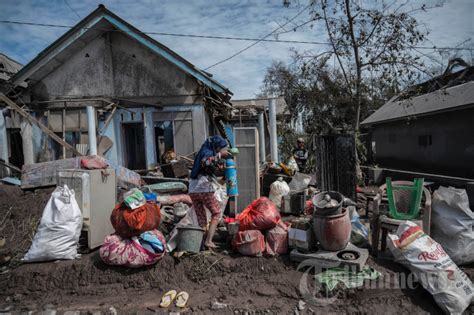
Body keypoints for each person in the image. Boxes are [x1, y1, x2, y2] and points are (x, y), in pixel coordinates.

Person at [189, 136, 229, 249]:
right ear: (216, 146)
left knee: (201, 217)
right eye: (220, 148)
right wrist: (220, 155)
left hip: (193, 189)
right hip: (203, 188)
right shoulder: (207, 152)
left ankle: (201, 243)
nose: (220, 150)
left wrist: (219, 164)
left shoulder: (204, 150)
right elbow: (206, 162)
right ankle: (209, 241)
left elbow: (207, 167)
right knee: (217, 213)